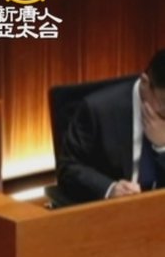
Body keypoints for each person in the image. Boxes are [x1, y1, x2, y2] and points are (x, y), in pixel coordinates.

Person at [58, 49, 165, 203]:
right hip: (116, 207)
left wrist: (162, 148)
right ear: (145, 83)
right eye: (163, 103)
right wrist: (110, 189)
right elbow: (68, 167)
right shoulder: (98, 109)